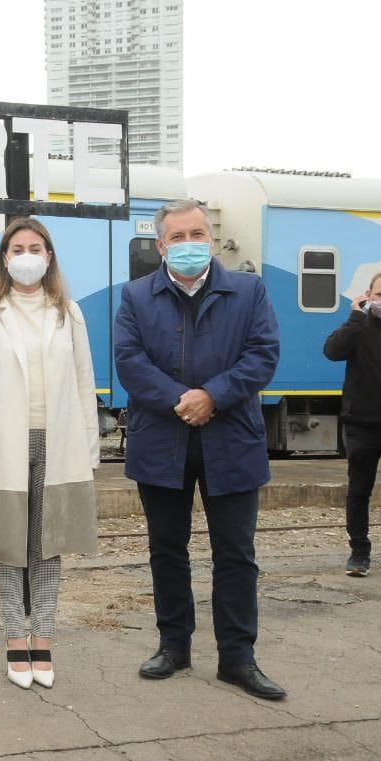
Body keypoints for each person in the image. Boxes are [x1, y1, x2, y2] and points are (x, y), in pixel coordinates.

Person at [114, 199, 285, 700]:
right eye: (178, 236)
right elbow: (129, 360)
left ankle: (238, 658)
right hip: (161, 442)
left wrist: (213, 395)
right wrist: (181, 399)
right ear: (161, 245)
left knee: (236, 554)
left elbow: (263, 354)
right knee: (167, 550)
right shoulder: (136, 295)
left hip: (232, 441)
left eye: (198, 234)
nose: (189, 244)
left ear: (210, 239)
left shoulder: (249, 290)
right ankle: (174, 646)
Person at [0, 217, 99, 690]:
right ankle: (15, 639)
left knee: (48, 545)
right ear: (4, 259)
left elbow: (84, 383)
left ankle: (44, 639)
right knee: (8, 546)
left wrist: (90, 450)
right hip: (2, 445)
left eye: (35, 248)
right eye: (17, 249)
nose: (27, 256)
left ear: (49, 256)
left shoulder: (68, 313)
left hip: (59, 443)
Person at [323, 270, 381, 577]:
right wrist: (355, 317)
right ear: (368, 296)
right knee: (359, 492)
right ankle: (359, 553)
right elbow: (332, 351)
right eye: (380, 294)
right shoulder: (356, 329)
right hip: (362, 426)